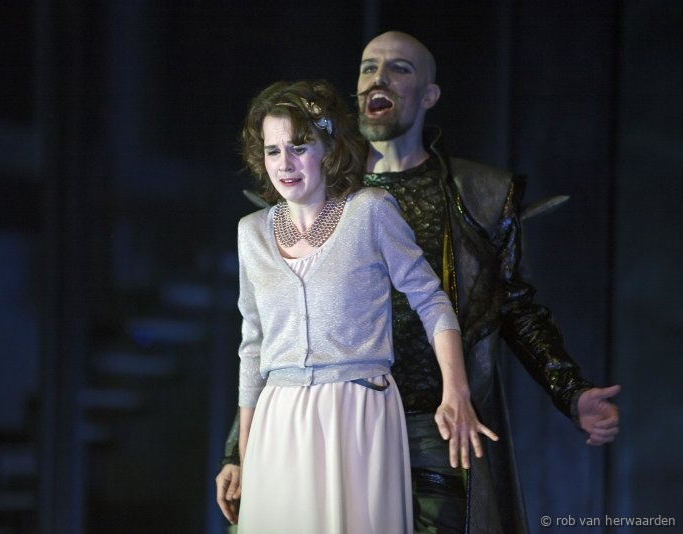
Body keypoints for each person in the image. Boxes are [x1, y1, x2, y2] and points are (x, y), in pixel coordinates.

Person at [218, 31, 620, 533]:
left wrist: (569, 390)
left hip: (429, 421)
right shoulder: (304, 193)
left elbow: (514, 307)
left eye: (399, 68)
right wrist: (240, 450)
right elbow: (275, 334)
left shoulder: (472, 195)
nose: (379, 79)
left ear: (430, 94)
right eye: (368, 67)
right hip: (316, 415)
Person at [229, 79, 498, 534]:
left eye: (299, 147)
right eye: (273, 150)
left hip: (356, 409)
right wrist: (244, 455)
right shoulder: (251, 232)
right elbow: (252, 345)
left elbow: (431, 300)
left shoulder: (370, 211)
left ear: (328, 149)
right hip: (279, 417)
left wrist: (456, 390)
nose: (285, 163)